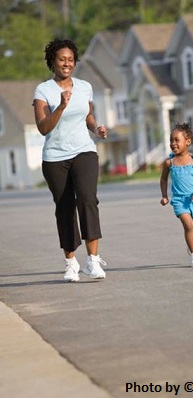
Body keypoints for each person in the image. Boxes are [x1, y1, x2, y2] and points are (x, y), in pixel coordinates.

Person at [33, 38, 108, 282]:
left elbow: (88, 115)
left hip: (84, 151)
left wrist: (96, 128)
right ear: (53, 62)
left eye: (70, 60)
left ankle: (93, 262)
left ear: (75, 62)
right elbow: (43, 128)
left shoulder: (85, 87)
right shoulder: (43, 90)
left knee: (87, 199)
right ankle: (70, 263)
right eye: (61, 59)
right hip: (55, 158)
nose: (66, 63)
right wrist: (61, 107)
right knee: (65, 207)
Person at [160, 123, 193, 267]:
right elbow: (163, 179)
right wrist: (164, 196)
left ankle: (192, 242)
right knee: (188, 226)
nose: (173, 143)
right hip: (180, 201)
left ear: (188, 141)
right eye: (171, 140)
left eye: (176, 140)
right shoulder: (169, 162)